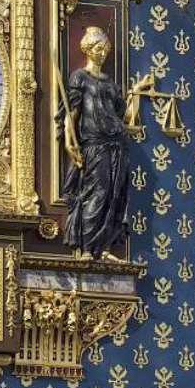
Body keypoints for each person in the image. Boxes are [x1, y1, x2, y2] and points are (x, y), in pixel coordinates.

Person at [58, 26, 135, 260]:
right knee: (97, 193)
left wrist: (138, 92)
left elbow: (125, 116)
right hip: (94, 144)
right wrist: (69, 142)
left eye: (105, 49)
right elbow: (71, 114)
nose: (102, 53)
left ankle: (103, 248)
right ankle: (86, 248)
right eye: (98, 49)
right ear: (88, 50)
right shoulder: (80, 77)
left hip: (117, 144)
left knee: (114, 195)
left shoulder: (109, 83)